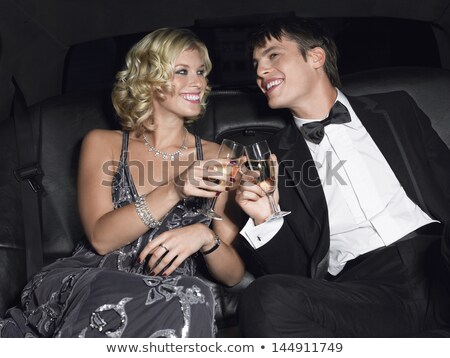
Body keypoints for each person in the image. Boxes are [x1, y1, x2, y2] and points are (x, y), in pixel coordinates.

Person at [0, 27, 244, 338]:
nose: (198, 82)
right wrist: (174, 189)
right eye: (182, 71)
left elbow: (234, 275)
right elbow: (101, 239)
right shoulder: (105, 144)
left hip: (174, 293)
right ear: (148, 79)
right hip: (94, 280)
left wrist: (205, 238)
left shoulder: (219, 156)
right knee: (184, 297)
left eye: (201, 72)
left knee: (192, 295)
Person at [235, 17, 450, 337]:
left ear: (316, 57)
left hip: (440, 261)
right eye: (256, 64)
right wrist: (267, 219)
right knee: (265, 297)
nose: (260, 71)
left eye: (273, 55)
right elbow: (295, 275)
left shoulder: (396, 108)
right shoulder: (270, 159)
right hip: (364, 294)